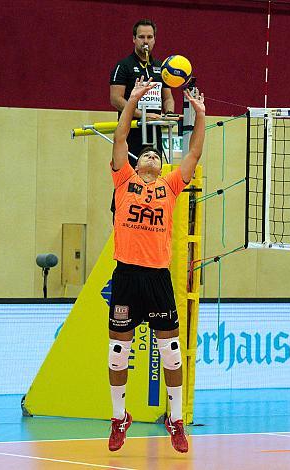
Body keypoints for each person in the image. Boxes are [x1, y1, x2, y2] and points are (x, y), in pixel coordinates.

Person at [107, 77, 205, 455]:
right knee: (118, 352)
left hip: (158, 277)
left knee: (172, 353)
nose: (150, 155)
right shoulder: (123, 178)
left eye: (155, 155)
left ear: (161, 165)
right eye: (145, 153)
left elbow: (193, 156)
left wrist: (200, 116)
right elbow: (119, 140)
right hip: (127, 275)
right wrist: (131, 101)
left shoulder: (170, 186)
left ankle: (175, 420)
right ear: (137, 162)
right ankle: (120, 418)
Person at [109, 19, 175, 167]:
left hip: (154, 132)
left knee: (154, 175)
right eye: (141, 37)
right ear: (134, 39)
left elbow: (168, 98)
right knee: (128, 177)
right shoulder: (124, 66)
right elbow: (115, 99)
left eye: (149, 37)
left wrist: (169, 112)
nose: (146, 41)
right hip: (131, 131)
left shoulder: (160, 67)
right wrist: (142, 115)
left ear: (154, 39)